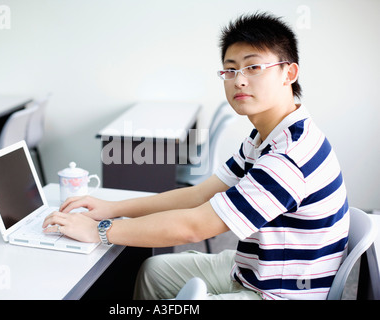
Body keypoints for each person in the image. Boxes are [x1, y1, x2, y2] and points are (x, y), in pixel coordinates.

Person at [43, 12, 349, 300]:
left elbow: (196, 226)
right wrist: (110, 208)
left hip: (278, 292)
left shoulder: (289, 156)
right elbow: (200, 194)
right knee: (153, 271)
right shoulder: (264, 137)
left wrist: (100, 231)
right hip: (255, 269)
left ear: (289, 73)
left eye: (253, 67)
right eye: (230, 70)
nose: (239, 80)